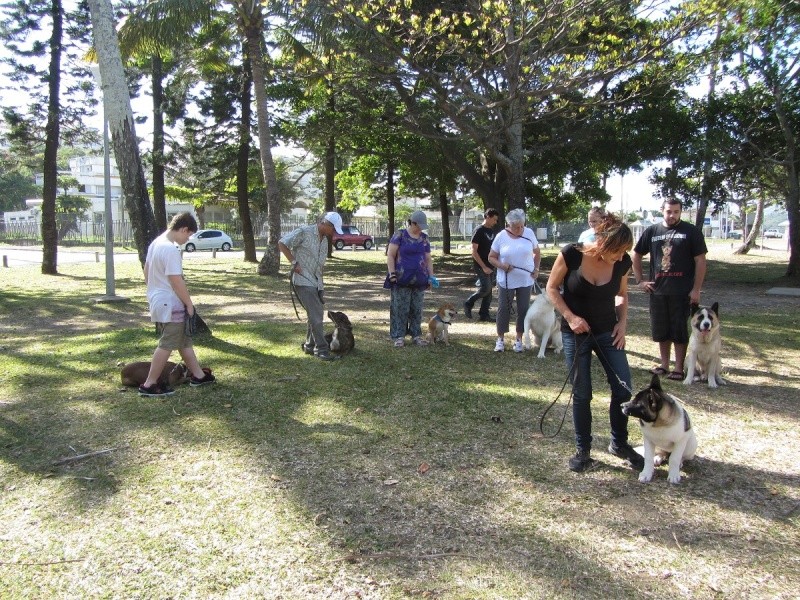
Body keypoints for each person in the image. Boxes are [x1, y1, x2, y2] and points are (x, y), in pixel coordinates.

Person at [546, 212, 643, 472]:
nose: (622, 257)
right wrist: (570, 317)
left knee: (623, 389)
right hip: (575, 333)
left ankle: (619, 444)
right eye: (618, 251)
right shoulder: (571, 254)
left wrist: (622, 325)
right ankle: (583, 449)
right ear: (604, 244)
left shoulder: (621, 264)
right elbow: (552, 288)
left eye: (625, 252)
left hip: (607, 332)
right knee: (582, 392)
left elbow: (621, 296)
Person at [139, 212, 216, 397]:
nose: (188, 238)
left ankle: (198, 375)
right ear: (183, 229)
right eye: (188, 235)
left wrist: (154, 291)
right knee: (167, 343)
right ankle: (149, 384)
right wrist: (189, 304)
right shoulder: (171, 249)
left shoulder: (156, 243)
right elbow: (176, 280)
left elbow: (147, 271)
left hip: (158, 299)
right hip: (170, 302)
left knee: (183, 340)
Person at [632, 198, 708, 380]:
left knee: (679, 330)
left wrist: (696, 289)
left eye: (675, 211)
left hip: (682, 292)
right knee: (661, 330)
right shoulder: (652, 231)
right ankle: (664, 365)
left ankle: (679, 368)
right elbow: (635, 254)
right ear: (662, 210)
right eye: (668, 211)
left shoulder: (691, 232)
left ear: (681, 211)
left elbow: (700, 261)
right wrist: (640, 280)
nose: (672, 215)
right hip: (657, 291)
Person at [279, 211, 344, 361]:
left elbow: (320, 267)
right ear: (325, 224)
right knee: (316, 316)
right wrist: (294, 263)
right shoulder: (304, 232)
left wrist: (321, 287)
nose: (333, 233)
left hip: (316, 282)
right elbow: (282, 243)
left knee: (314, 314)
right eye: (333, 229)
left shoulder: (325, 241)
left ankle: (309, 346)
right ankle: (321, 350)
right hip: (302, 280)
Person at [488, 208, 541, 352]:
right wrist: (502, 265)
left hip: (526, 280)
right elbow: (491, 257)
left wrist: (536, 269)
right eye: (516, 227)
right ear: (508, 225)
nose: (520, 229)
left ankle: (519, 339)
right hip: (506, 280)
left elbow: (537, 253)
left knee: (523, 309)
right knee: (503, 309)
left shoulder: (529, 233)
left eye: (522, 226)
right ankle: (500, 339)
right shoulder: (501, 236)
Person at [386, 210, 435, 347]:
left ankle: (416, 335)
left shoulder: (424, 238)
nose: (421, 229)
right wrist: (392, 274)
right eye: (419, 225)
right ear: (412, 223)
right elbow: (390, 255)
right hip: (401, 278)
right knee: (400, 308)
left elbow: (428, 259)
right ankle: (398, 336)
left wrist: (431, 276)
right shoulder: (400, 235)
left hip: (420, 279)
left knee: (417, 308)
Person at [463, 208, 500, 321]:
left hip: (491, 264)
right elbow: (474, 251)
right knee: (486, 288)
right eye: (494, 219)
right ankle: (468, 303)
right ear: (487, 216)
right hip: (481, 265)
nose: (495, 222)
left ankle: (484, 314)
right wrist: (483, 267)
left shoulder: (492, 231)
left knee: (489, 290)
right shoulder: (479, 230)